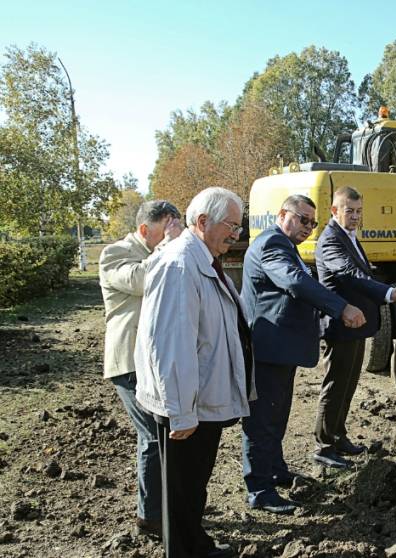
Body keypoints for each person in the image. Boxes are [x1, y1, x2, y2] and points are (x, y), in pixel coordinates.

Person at [134, 187, 255, 558]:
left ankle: (194, 544)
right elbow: (171, 345)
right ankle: (186, 551)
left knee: (192, 486)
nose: (236, 234)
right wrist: (181, 410)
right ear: (202, 222)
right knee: (183, 487)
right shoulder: (181, 265)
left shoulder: (200, 258)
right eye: (230, 226)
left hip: (200, 397)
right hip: (189, 404)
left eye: (238, 226)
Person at [240, 194, 365, 514]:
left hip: (279, 350)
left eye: (313, 222)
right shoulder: (272, 244)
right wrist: (340, 307)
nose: (309, 227)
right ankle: (260, 489)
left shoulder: (286, 246)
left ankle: (275, 471)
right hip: (266, 350)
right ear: (283, 214)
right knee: (262, 419)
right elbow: (294, 281)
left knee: (277, 414)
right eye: (303, 219)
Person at [313, 186, 396, 468]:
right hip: (342, 324)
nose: (355, 216)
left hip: (356, 325)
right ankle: (324, 447)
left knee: (348, 385)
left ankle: (338, 435)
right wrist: (387, 292)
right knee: (335, 385)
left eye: (359, 211)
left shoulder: (349, 237)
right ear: (334, 211)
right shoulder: (330, 240)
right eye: (350, 211)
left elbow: (361, 274)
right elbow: (350, 275)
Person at [99, 200, 182, 538]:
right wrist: (167, 246)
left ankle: (168, 508)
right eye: (167, 230)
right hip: (130, 362)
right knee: (153, 436)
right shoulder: (114, 253)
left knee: (166, 436)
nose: (174, 237)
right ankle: (150, 518)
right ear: (146, 230)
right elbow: (141, 280)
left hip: (158, 359)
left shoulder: (163, 251)